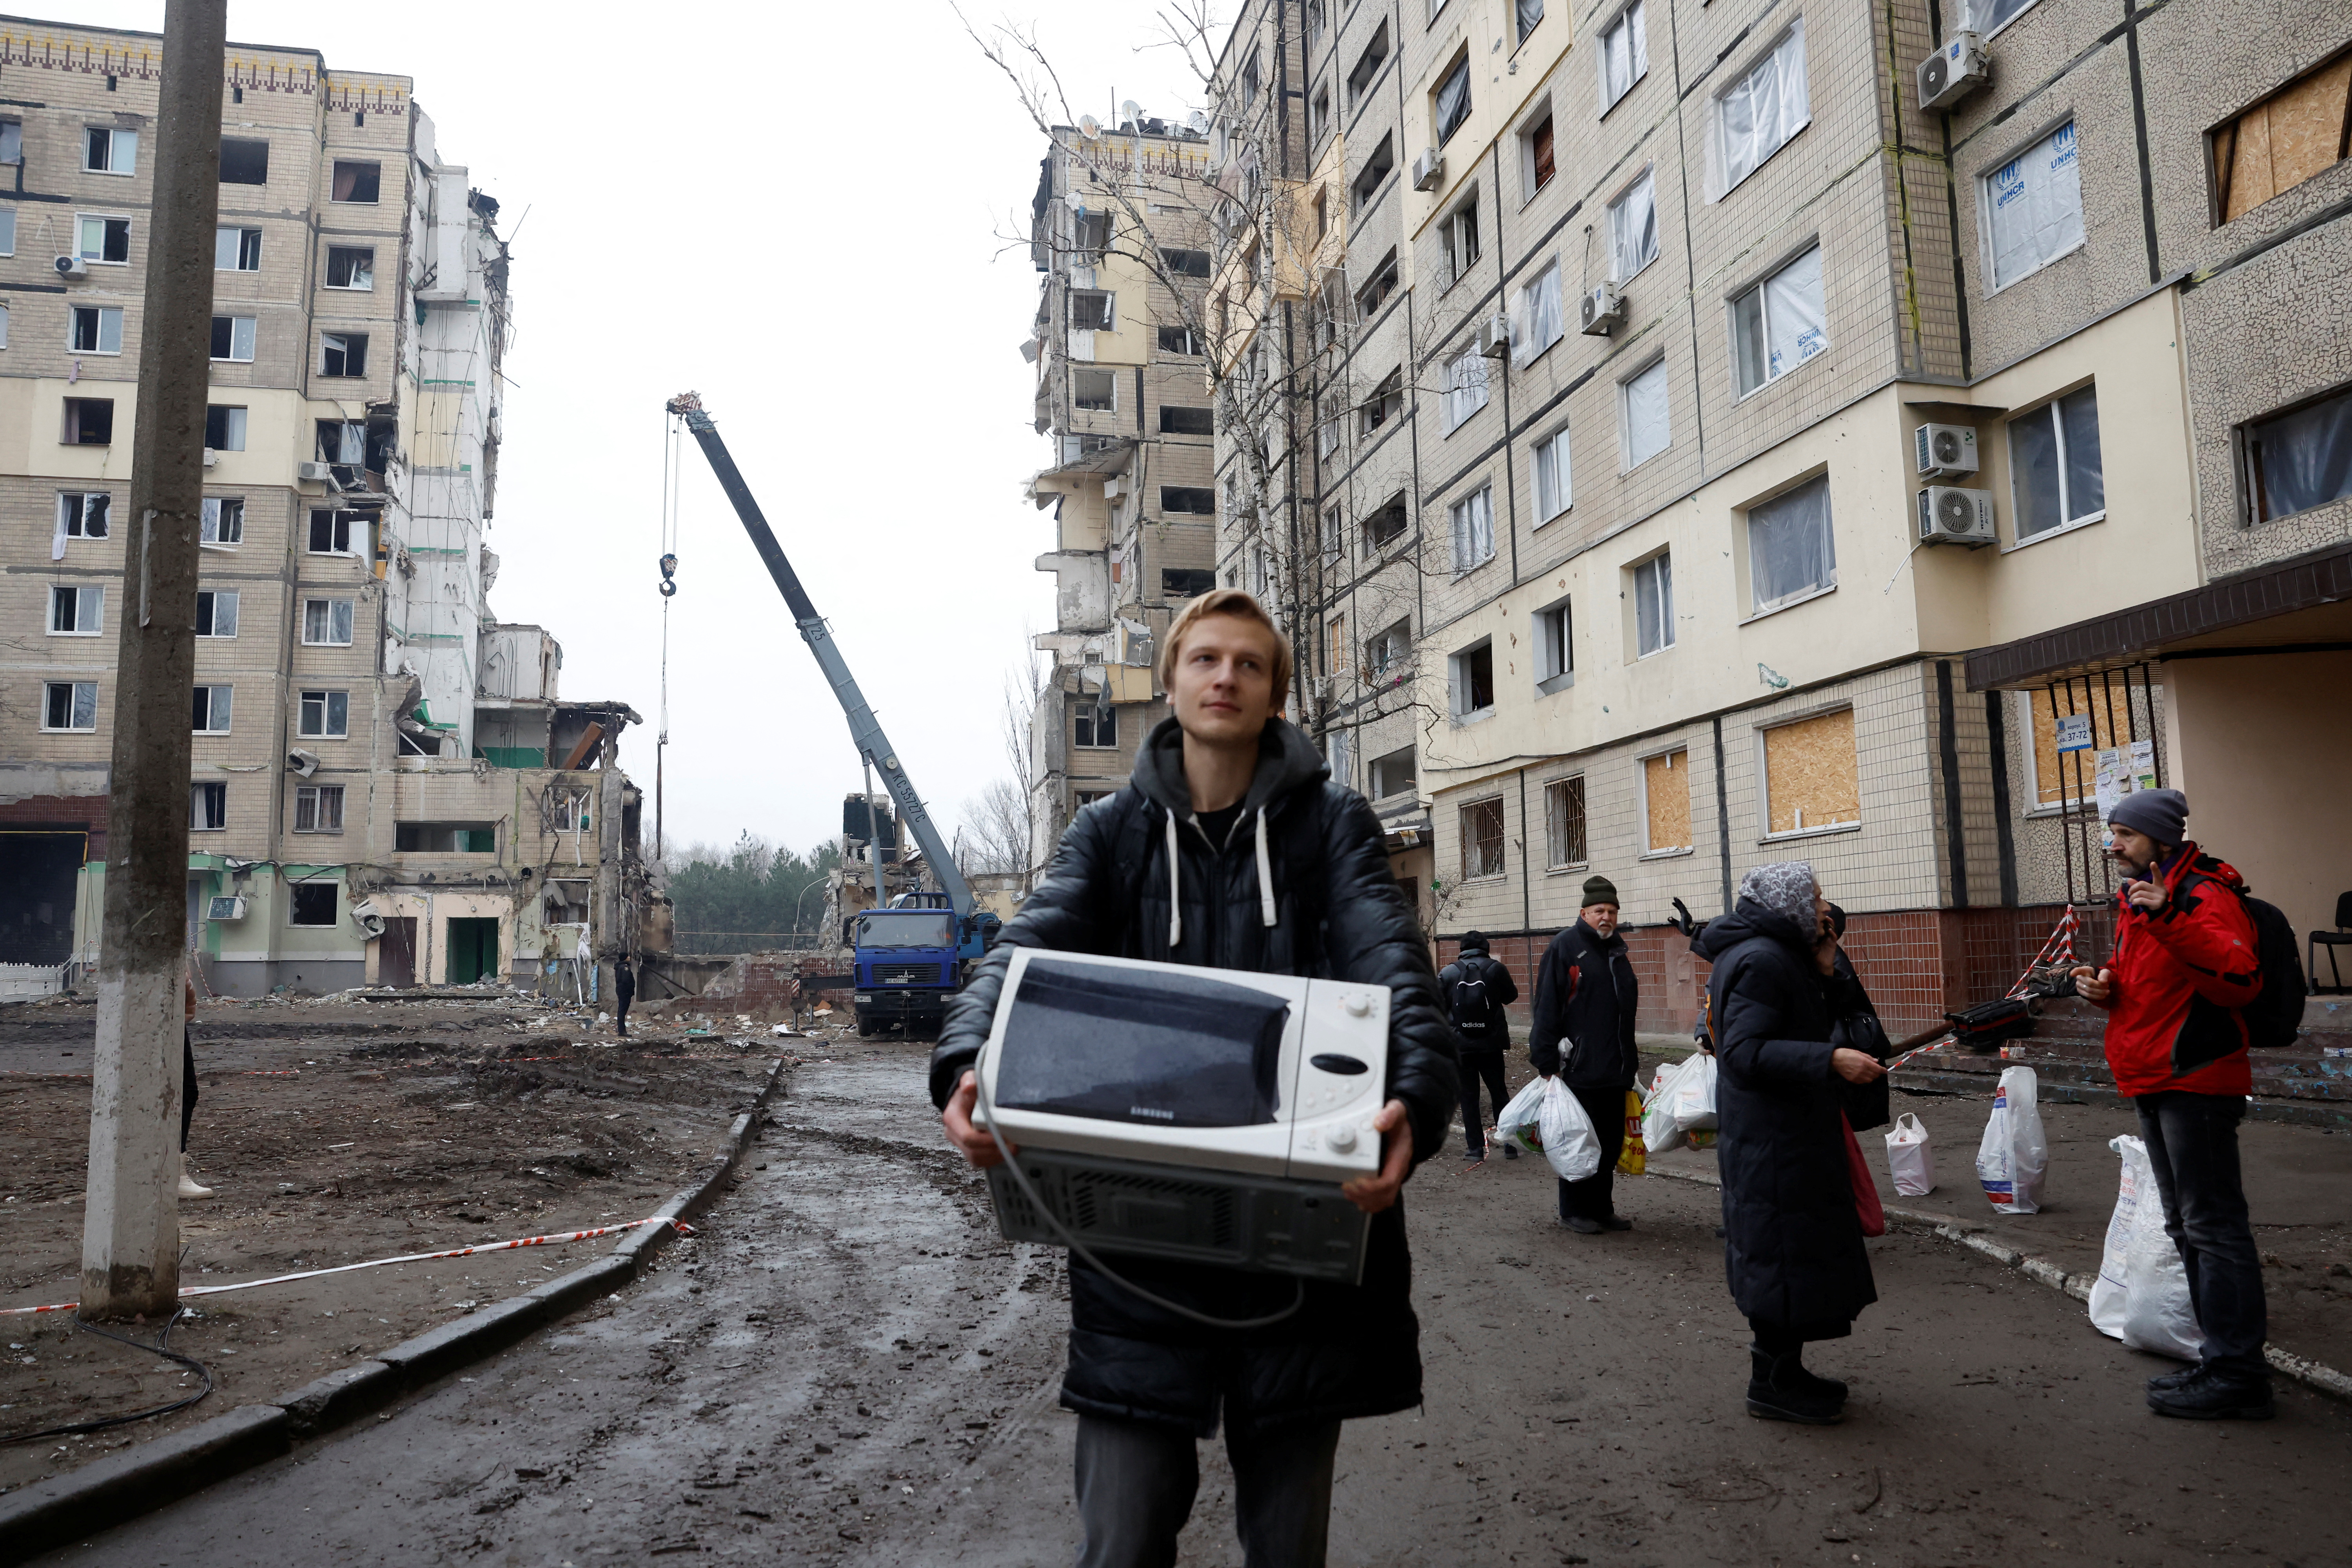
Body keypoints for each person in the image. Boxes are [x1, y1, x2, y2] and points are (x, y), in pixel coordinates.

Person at [929, 588, 1457, 1568]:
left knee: (1287, 1550)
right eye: (1206, 658)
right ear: (1169, 683)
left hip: (1300, 1261)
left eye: (1250, 664)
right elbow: (1021, 953)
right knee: (1123, 1540)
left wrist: (1415, 1106)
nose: (1226, 677)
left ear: (1276, 695)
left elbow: (1395, 963)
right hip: (1140, 1253)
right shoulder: (1111, 831)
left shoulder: (1332, 824)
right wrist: (965, 1063)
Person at [2069, 788, 2271, 1421]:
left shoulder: (2201, 893)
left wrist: (2169, 916)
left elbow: (2240, 979)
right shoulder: (2143, 897)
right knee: (2187, 1226)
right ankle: (2220, 1361)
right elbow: (2153, 980)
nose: (2113, 846)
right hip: (2153, 1074)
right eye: (2113, 833)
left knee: (2213, 1228)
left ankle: (2239, 1374)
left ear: (2161, 839)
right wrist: (2105, 987)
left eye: (2125, 834)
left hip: (2196, 1080)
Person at [1695, 862, 1884, 1424]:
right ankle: (1771, 1383)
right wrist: (1831, 1059)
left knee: (1791, 1256)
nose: (1825, 908)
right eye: (1816, 897)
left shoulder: (1776, 953)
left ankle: (1786, 1371)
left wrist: (1824, 972)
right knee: (1779, 1257)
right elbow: (1743, 1052)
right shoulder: (1761, 958)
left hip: (1784, 1134)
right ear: (1789, 903)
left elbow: (1787, 1023)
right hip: (1773, 1140)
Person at [1528, 876, 1639, 1232]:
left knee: (1608, 1141)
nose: (1606, 917)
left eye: (1612, 912)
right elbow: (1547, 1005)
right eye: (1599, 911)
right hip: (1578, 1067)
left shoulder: (1617, 950)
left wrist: (1630, 1062)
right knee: (1578, 1140)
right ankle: (1574, 1210)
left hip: (1615, 1067)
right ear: (1584, 913)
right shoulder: (1566, 947)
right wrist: (1546, 1060)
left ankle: (1601, 1208)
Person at [1439, 930, 1519, 1162]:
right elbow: (1511, 997)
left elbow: (1437, 1003)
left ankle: (1475, 1150)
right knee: (1499, 1093)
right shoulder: (1496, 969)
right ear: (1486, 948)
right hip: (1490, 1044)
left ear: (1462, 949)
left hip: (1461, 1045)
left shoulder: (1449, 972)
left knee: (1468, 1097)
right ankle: (1510, 1146)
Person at [1823, 905, 1895, 1134]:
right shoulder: (1828, 955)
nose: (1821, 905)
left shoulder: (1830, 956)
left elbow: (1841, 997)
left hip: (1845, 1043)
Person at [180, 970, 213, 1200]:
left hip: (168, 1012)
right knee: (184, 1094)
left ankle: (172, 1173)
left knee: (186, 1094)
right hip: (156, 1011)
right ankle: (172, 1175)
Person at [613, 956, 637, 1038]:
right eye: (628, 956)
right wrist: (629, 990)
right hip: (625, 991)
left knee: (622, 1011)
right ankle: (622, 1031)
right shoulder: (625, 967)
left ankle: (622, 1030)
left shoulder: (620, 967)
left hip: (622, 991)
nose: (630, 957)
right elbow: (626, 980)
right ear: (625, 958)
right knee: (622, 1011)